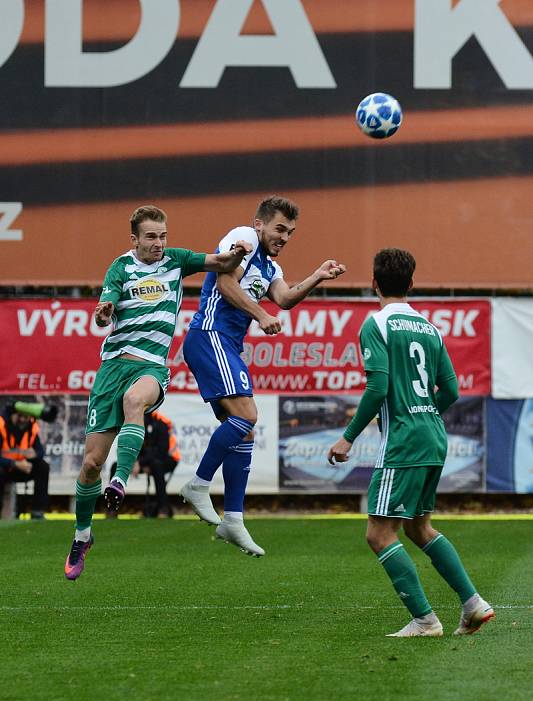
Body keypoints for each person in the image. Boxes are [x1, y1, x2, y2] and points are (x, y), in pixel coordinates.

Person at [64, 204, 252, 580]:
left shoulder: (177, 260)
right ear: (134, 239)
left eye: (162, 236)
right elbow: (108, 305)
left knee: (136, 401)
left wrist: (236, 256)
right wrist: (104, 313)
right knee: (89, 465)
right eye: (151, 236)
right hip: (113, 367)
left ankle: (121, 479)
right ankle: (83, 535)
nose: (158, 243)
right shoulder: (121, 267)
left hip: (150, 366)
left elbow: (219, 263)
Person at [327, 248, 494, 637]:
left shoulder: (377, 324)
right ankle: (473, 605)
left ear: (374, 284)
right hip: (434, 435)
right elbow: (450, 389)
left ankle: (425, 620)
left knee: (378, 533)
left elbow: (378, 386)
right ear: (411, 284)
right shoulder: (428, 327)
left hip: (403, 441)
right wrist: (423, 411)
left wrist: (347, 437)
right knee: (419, 527)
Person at [180, 195, 346, 556]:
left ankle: (234, 520)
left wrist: (317, 276)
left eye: (291, 232)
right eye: (279, 228)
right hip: (210, 335)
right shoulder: (245, 238)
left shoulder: (271, 268)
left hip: (226, 344)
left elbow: (284, 300)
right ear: (260, 224)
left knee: (246, 429)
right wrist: (261, 315)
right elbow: (224, 283)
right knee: (248, 415)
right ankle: (198, 484)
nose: (285, 237)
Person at [0, 406, 50, 519]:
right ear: (12, 415)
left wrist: (34, 456)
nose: (22, 420)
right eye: (20, 416)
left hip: (24, 468)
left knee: (43, 466)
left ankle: (38, 511)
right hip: (5, 469)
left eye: (25, 417)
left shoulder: (31, 429)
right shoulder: (2, 427)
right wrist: (14, 463)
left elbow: (40, 451)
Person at [133, 410, 180, 518]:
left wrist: (142, 462)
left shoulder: (161, 422)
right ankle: (112, 509)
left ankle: (163, 508)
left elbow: (161, 451)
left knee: (157, 465)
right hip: (146, 461)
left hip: (169, 458)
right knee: (115, 466)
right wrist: (138, 462)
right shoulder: (135, 422)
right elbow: (137, 446)